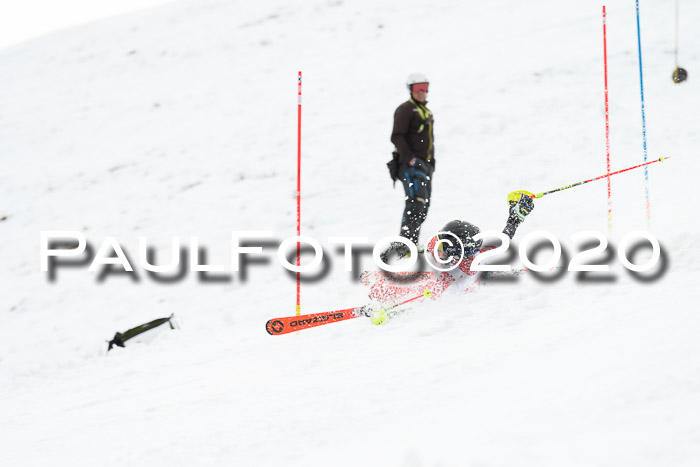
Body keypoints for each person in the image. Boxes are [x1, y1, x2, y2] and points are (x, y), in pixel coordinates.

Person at [365, 193, 535, 307]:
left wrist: (385, 300)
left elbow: (426, 296)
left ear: (459, 254)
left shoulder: (464, 268)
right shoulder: (438, 248)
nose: (439, 249)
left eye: (445, 248)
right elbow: (505, 236)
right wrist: (515, 215)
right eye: (441, 243)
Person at [385, 72, 435, 259]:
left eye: (425, 88)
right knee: (415, 203)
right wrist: (410, 158)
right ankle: (405, 245)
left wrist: (431, 164)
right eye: (418, 88)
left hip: (425, 165)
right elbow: (396, 136)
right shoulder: (406, 109)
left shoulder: (425, 111)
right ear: (411, 90)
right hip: (412, 165)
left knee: (424, 205)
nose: (422, 92)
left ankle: (411, 242)